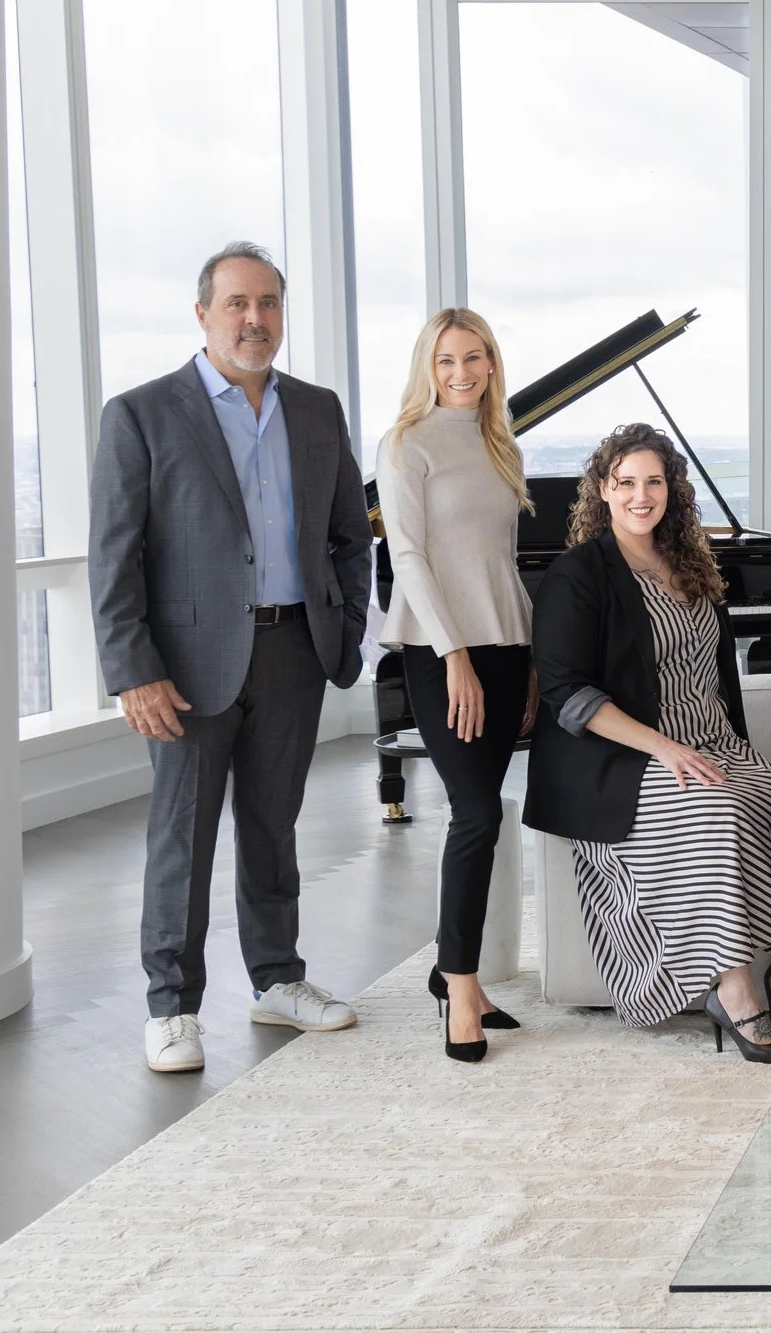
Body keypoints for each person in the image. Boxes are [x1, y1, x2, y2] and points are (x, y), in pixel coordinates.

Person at [89, 242, 373, 1075]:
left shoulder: (317, 409)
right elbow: (116, 555)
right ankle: (171, 1006)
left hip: (294, 648)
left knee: (272, 826)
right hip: (185, 664)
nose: (256, 319)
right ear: (204, 313)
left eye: (270, 303)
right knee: (183, 834)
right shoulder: (141, 413)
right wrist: (133, 667)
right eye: (238, 303)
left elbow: (350, 534)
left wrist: (343, 626)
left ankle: (277, 978)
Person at [524, 423, 771, 1060]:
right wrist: (663, 748)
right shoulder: (579, 574)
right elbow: (566, 693)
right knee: (716, 816)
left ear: (671, 490)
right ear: (602, 490)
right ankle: (733, 991)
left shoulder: (689, 562)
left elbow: (711, 670)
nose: (639, 495)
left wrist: (726, 748)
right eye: (625, 482)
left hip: (707, 738)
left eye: (652, 481)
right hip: (619, 757)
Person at [373, 309, 538, 1062]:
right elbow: (407, 555)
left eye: (475, 358)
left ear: (492, 364)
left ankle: (452, 970)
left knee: (487, 815)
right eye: (446, 361)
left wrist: (531, 658)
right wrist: (455, 656)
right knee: (474, 814)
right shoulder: (405, 443)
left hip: (506, 646)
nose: (462, 373)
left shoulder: (502, 444)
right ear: (426, 367)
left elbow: (502, 561)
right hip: (442, 651)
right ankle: (461, 986)